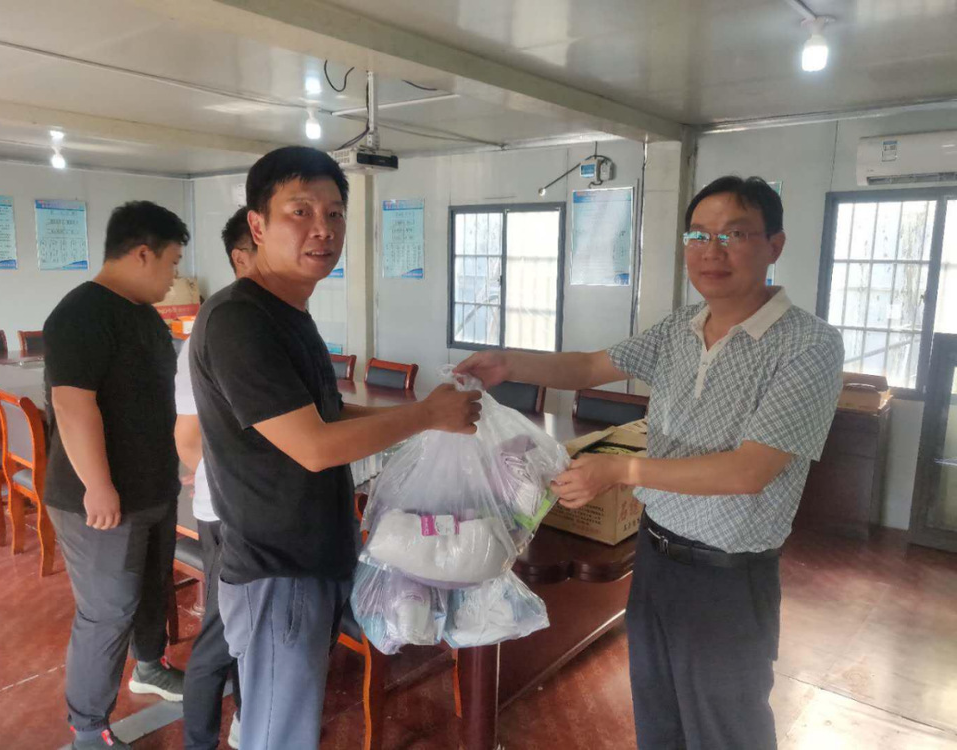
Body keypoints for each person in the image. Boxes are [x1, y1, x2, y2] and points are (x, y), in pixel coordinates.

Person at [456, 176, 844, 750]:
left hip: (729, 578)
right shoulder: (679, 328)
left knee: (726, 731)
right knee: (659, 721)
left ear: (774, 246)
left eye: (734, 234)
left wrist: (621, 471)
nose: (712, 251)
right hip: (655, 556)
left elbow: (750, 471)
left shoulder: (808, 345)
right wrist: (510, 364)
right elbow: (591, 366)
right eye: (699, 235)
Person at [189, 146, 481, 750]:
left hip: (309, 559)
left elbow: (327, 414)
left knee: (280, 724)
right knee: (279, 735)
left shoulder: (288, 312)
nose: (323, 229)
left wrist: (424, 422)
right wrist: (426, 414)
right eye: (300, 211)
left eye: (335, 213)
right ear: (257, 226)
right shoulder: (239, 321)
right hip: (278, 569)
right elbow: (316, 447)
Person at [43, 201, 190, 750]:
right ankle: (87, 727)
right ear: (143, 253)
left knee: (151, 591)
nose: (174, 276)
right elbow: (73, 405)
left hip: (151, 489)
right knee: (107, 612)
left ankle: (149, 668)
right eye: (172, 262)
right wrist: (98, 486)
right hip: (99, 498)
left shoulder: (144, 316)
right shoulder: (81, 313)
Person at [176, 207, 255, 749]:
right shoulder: (216, 328)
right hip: (229, 514)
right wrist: (219, 478)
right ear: (241, 257)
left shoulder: (275, 322)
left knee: (247, 628)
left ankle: (248, 720)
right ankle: (199, 738)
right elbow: (187, 439)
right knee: (222, 632)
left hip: (258, 510)